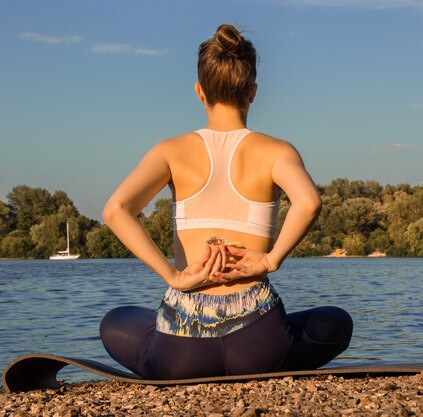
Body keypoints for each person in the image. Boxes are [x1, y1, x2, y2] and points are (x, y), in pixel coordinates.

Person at [99, 24, 352, 380]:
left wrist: (175, 277)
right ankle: (276, 361)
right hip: (260, 341)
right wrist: (269, 260)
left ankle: (162, 362)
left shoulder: (170, 151)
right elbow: (308, 202)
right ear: (252, 92)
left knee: (116, 322)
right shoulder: (277, 151)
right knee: (336, 321)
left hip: (182, 348)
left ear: (199, 91)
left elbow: (116, 210)